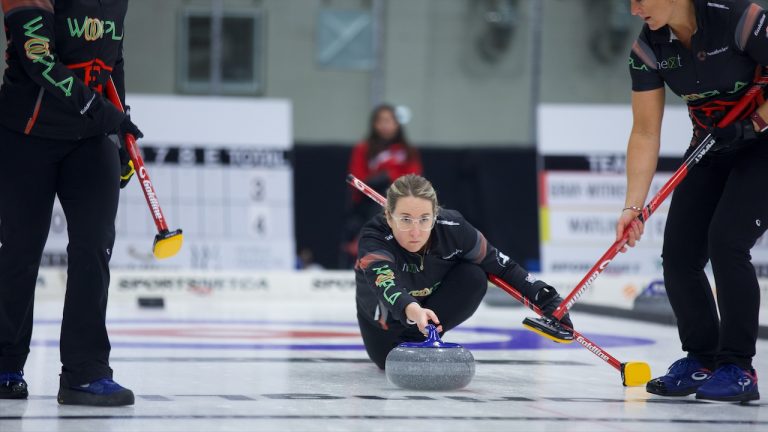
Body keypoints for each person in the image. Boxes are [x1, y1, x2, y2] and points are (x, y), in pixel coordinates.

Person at [622, 0, 768, 402]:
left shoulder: (740, 21)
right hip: (711, 145)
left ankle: (738, 367)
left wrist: (752, 124)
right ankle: (701, 358)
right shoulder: (648, 49)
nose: (634, 10)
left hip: (761, 145)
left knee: (726, 242)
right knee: (680, 255)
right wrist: (633, 207)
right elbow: (645, 133)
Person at [0, 0, 141, 406]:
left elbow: (113, 61)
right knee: (21, 250)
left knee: (95, 246)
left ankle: (85, 371)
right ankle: (6, 362)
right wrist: (105, 115)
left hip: (90, 137)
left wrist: (120, 138)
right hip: (25, 134)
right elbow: (38, 60)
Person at [355, 174, 573, 369]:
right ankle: (416, 335)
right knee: (388, 362)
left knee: (474, 275)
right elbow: (386, 284)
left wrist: (549, 300)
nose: (415, 231)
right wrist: (413, 310)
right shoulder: (374, 237)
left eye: (424, 219)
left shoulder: (453, 229)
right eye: (405, 219)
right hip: (385, 326)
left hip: (426, 320)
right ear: (389, 217)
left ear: (435, 215)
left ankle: (423, 339)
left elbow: (502, 266)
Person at [340, 104, 422, 267]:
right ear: (374, 124)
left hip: (401, 202)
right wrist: (381, 177)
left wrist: (391, 175)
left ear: (397, 124)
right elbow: (357, 179)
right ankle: (365, 246)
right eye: (381, 121)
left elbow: (415, 179)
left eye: (389, 121)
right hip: (368, 201)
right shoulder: (363, 149)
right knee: (379, 202)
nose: (385, 125)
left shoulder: (408, 150)